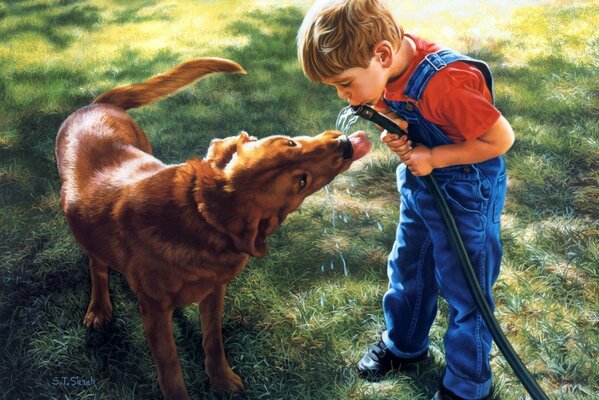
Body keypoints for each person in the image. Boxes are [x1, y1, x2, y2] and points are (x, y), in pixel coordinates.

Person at [297, 1, 515, 399]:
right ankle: (405, 346)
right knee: (409, 266)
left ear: (381, 54)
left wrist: (434, 157)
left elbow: (500, 140)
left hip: (468, 191)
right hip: (422, 186)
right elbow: (393, 101)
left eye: (345, 83)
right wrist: (396, 124)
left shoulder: (446, 84)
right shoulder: (389, 68)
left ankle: (468, 385)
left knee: (467, 291)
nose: (345, 98)